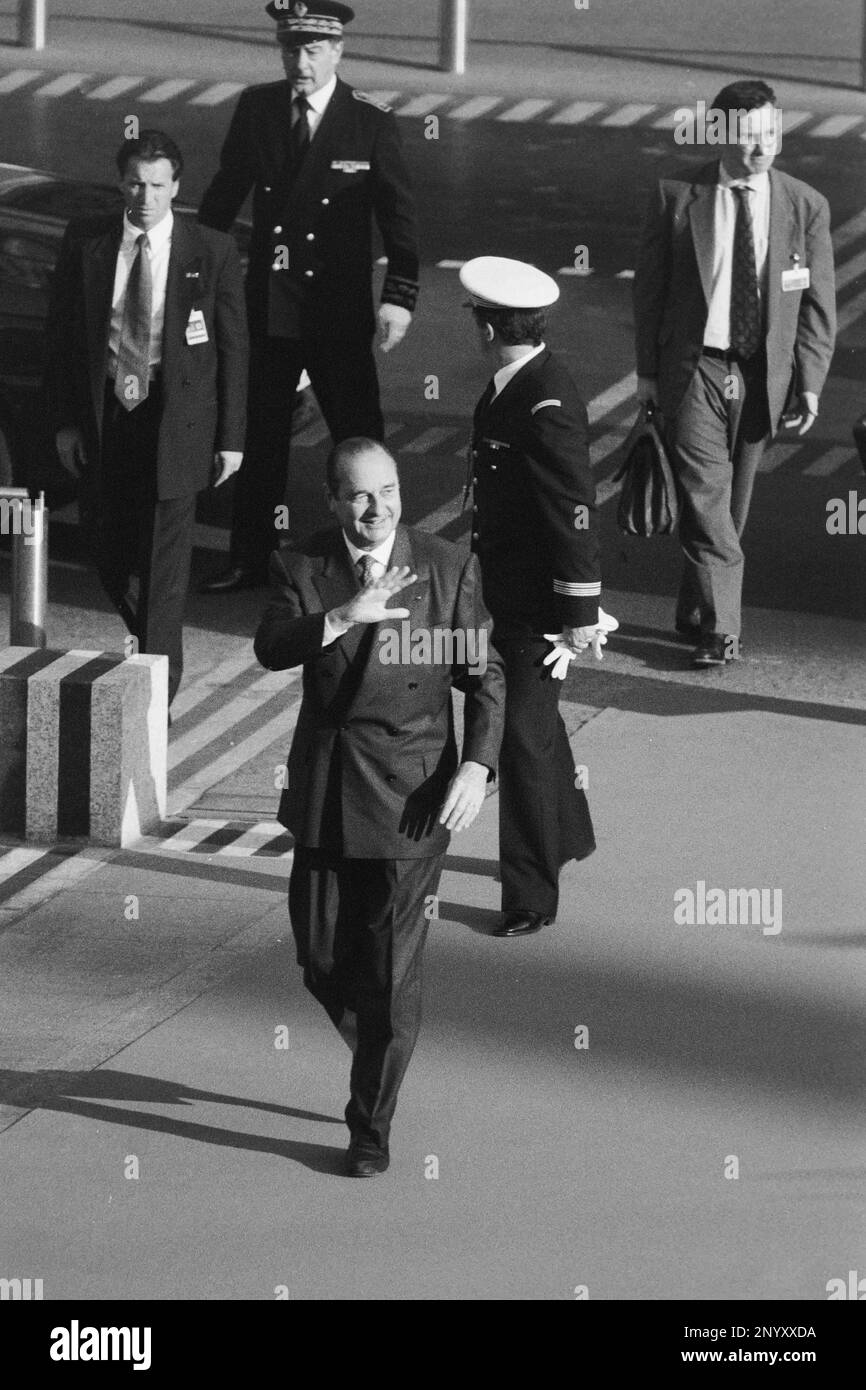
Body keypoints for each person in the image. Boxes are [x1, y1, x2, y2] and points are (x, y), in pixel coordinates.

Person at [254, 438, 504, 1176]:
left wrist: (476, 767)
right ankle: (384, 1044)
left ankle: (370, 1126)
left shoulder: (445, 567)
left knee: (391, 974)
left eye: (388, 491)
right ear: (334, 501)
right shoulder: (303, 564)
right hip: (329, 790)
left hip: (413, 795)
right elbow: (270, 647)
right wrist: (342, 616)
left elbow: (484, 678)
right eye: (360, 495)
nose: (378, 508)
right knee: (321, 957)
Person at [198, 0, 419, 594]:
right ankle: (250, 557)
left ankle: (378, 561)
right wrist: (192, 271)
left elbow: (398, 217)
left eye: (313, 49)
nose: (300, 61)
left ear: (338, 51)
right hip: (269, 306)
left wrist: (398, 296)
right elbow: (224, 196)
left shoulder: (370, 120)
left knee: (359, 441)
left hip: (338, 312)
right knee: (259, 435)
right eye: (290, 49)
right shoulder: (258, 109)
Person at [633, 78, 836, 667]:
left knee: (730, 508)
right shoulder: (676, 195)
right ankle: (723, 629)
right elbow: (649, 291)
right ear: (719, 134)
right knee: (704, 494)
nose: (762, 149)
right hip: (695, 368)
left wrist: (811, 381)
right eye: (749, 138)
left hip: (761, 374)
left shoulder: (804, 205)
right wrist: (647, 372)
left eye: (772, 135)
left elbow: (818, 306)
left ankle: (695, 610)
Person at [45, 130, 248, 707]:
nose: (145, 196)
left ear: (176, 188)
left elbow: (234, 347)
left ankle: (158, 687)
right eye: (135, 182)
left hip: (173, 419)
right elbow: (61, 336)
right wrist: (64, 422)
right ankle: (151, 635)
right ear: (120, 183)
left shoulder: (210, 250)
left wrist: (231, 438)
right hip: (108, 413)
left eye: (158, 185)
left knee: (163, 561)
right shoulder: (87, 240)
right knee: (105, 550)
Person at [459, 256, 606, 939]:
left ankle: (529, 897)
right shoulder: (516, 384)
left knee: (519, 742)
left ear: (489, 328)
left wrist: (577, 614)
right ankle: (567, 836)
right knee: (536, 728)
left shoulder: (542, 401)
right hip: (509, 587)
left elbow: (572, 508)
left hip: (536, 605)